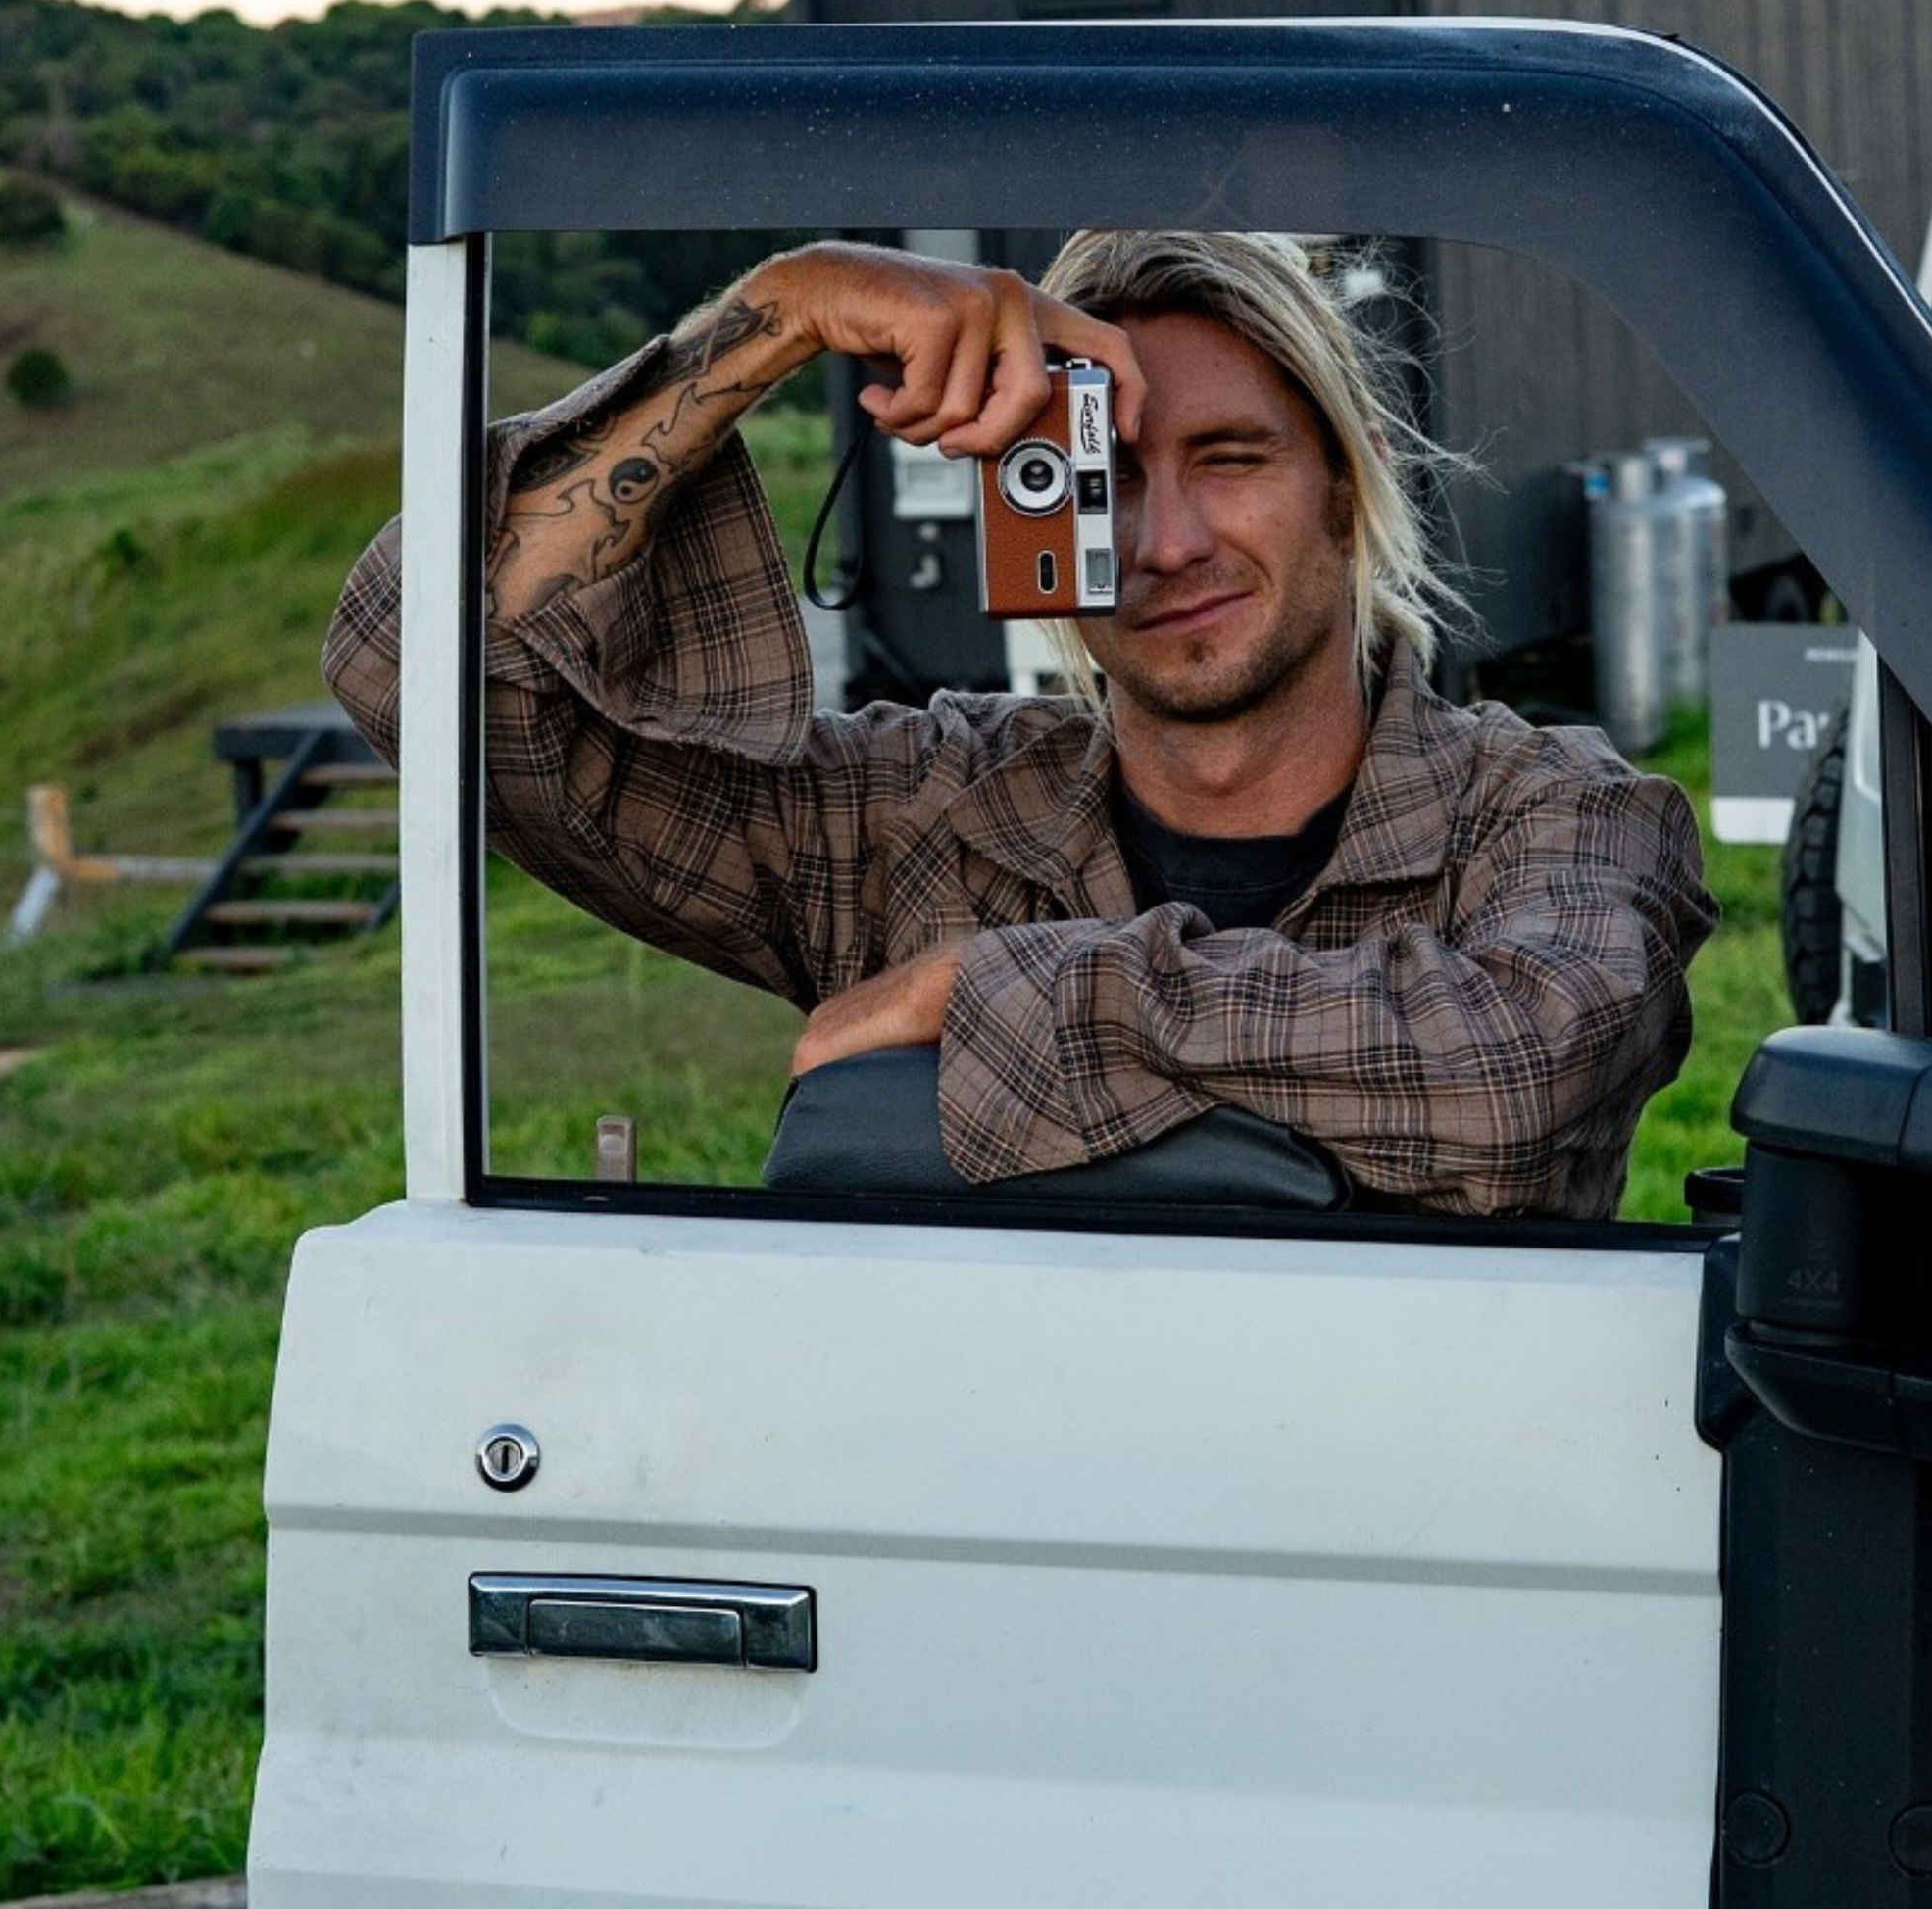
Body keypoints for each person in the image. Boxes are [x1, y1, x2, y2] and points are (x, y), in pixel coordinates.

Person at [325, 230, 1717, 1218]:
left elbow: (1520, 1074)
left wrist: (1001, 992)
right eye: (1098, 479)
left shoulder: (1558, 813)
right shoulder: (923, 818)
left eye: (1230, 459)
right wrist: (778, 317)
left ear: (1344, 496)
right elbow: (428, 668)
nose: (1167, 542)